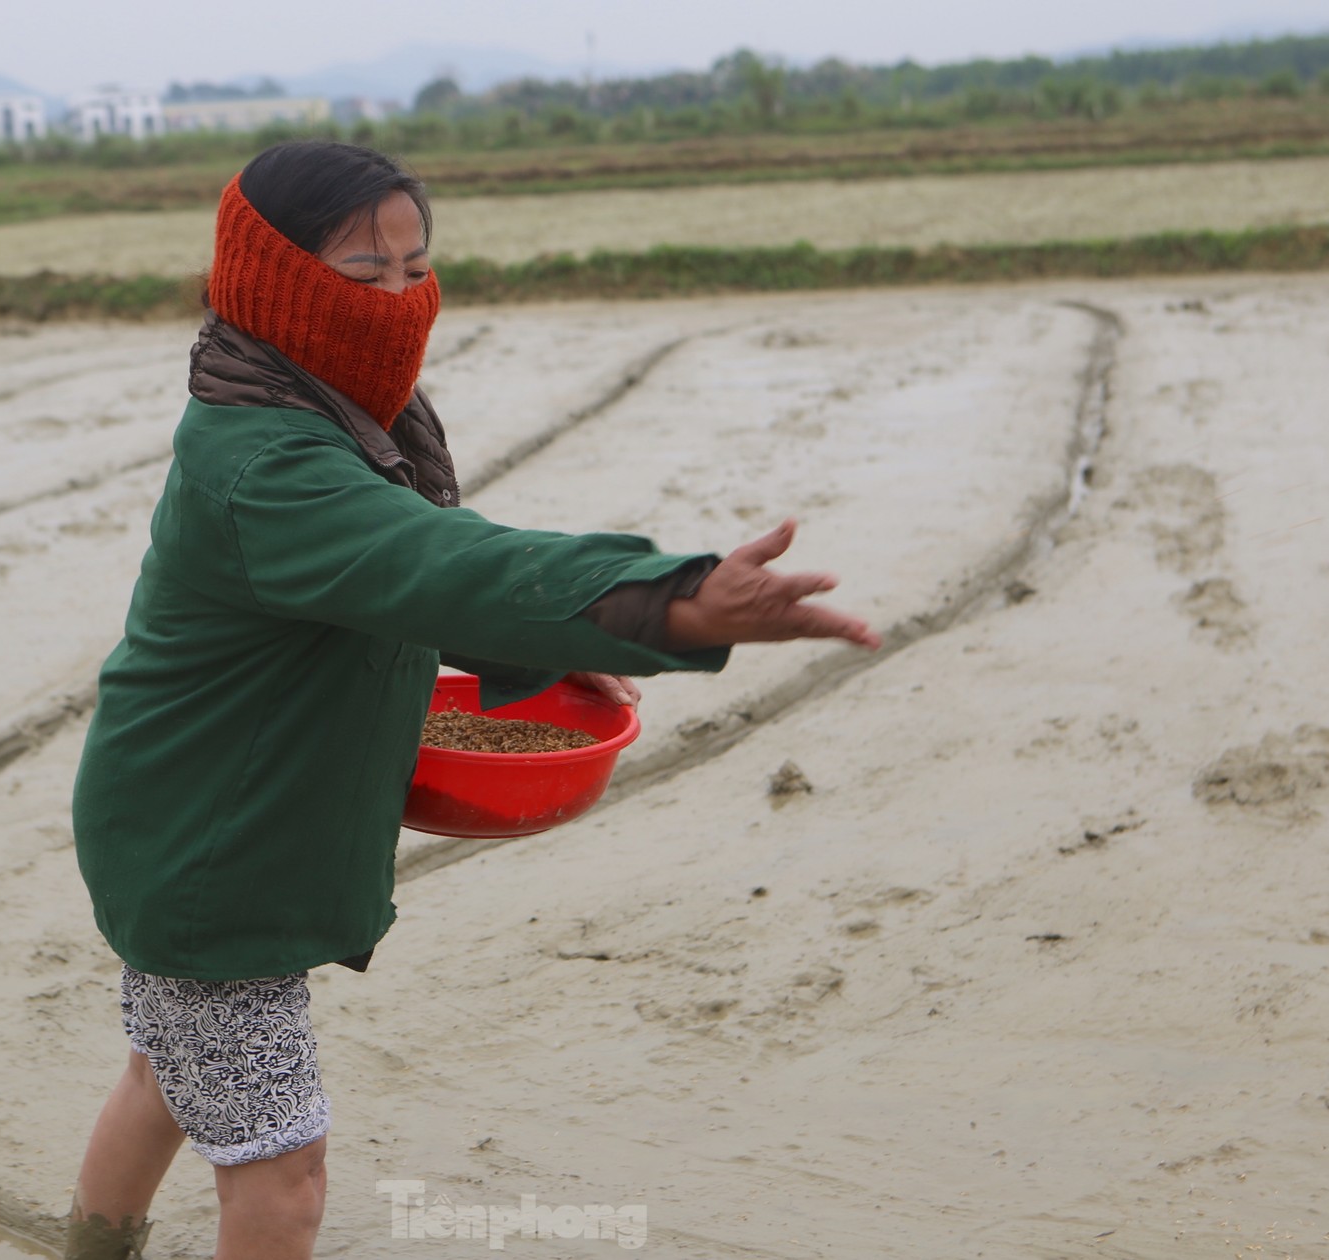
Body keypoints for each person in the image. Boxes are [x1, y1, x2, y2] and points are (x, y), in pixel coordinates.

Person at [64, 140, 881, 1260]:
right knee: (284, 1178)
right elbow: (438, 563)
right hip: (216, 863)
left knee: (165, 1074)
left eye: (416, 268)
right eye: (363, 276)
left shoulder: (323, 411)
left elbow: (386, 574)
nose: (399, 301)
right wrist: (671, 601)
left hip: (184, 819)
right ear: (274, 283)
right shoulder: (271, 461)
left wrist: (541, 660)